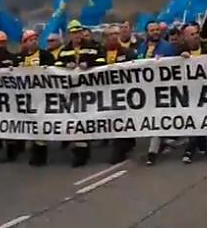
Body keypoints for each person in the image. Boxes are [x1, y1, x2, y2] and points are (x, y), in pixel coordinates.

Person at [55, 19, 101, 167]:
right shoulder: (64, 50)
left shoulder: (93, 48)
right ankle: (79, 151)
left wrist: (89, 65)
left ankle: (83, 152)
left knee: (85, 121)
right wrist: (64, 67)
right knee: (75, 122)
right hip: (72, 92)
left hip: (88, 92)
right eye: (74, 33)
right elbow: (55, 68)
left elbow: (102, 63)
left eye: (79, 32)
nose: (77, 35)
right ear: (70, 34)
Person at [96, 25, 138, 164]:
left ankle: (119, 150)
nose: (114, 37)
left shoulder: (128, 53)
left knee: (121, 121)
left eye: (116, 34)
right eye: (110, 35)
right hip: (105, 94)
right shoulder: (99, 54)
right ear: (104, 38)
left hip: (124, 94)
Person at [13, 30, 56, 166]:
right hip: (24, 98)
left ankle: (40, 155)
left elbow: (53, 71)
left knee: (40, 127)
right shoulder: (19, 58)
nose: (34, 41)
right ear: (24, 43)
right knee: (29, 126)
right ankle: (26, 150)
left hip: (41, 97)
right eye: (30, 39)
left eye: (35, 39)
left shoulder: (45, 55)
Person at [138, 21, 178, 165]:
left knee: (157, 117)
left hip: (163, 88)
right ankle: (162, 141)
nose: (155, 32)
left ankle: (152, 152)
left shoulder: (168, 47)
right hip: (147, 89)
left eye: (157, 29)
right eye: (152, 30)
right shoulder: (142, 47)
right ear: (147, 32)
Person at [178, 23, 207, 164]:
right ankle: (190, 150)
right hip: (188, 94)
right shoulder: (180, 52)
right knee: (195, 122)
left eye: (196, 33)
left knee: (200, 121)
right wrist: (179, 59)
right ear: (186, 38)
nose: (195, 36)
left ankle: (199, 146)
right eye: (191, 34)